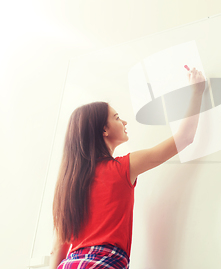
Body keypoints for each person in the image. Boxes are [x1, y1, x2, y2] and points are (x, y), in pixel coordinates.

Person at [48, 68, 206, 269]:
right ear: (103, 130)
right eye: (116, 117)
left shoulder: (70, 184)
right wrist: (197, 91)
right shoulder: (123, 167)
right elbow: (184, 137)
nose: (124, 121)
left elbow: (59, 247)